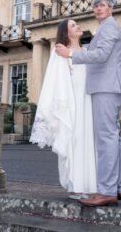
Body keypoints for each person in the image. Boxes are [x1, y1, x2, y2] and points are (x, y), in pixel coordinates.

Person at [55, 0, 121, 207]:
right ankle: (119, 188)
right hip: (110, 87)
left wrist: (70, 54)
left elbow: (102, 55)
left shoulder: (109, 27)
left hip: (106, 87)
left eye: (102, 5)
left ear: (111, 8)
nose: (98, 9)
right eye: (95, 7)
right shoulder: (107, 28)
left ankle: (106, 191)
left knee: (106, 139)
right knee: (114, 138)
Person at [30, 19, 97, 199]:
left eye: (77, 24)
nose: (78, 26)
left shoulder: (86, 51)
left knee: (87, 142)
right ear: (67, 33)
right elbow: (55, 80)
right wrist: (63, 104)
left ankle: (89, 184)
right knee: (73, 141)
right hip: (71, 103)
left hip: (88, 101)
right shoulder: (59, 51)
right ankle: (75, 185)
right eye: (74, 26)